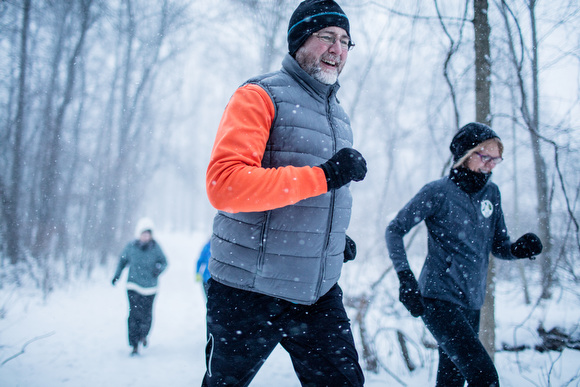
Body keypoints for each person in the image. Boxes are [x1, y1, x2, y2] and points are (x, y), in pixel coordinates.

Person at [203, 1, 367, 385]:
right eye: (327, 36)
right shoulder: (259, 95)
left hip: (315, 292)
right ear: (299, 40)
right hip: (247, 290)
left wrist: (327, 240)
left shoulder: (338, 116)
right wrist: (325, 176)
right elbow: (225, 184)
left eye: (346, 41)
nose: (338, 49)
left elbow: (304, 196)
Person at [385, 122, 543, 386]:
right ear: (465, 155)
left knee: (452, 380)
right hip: (438, 299)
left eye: (496, 159)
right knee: (484, 376)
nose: (492, 164)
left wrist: (518, 249)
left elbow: (499, 245)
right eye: (486, 157)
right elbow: (394, 230)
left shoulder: (491, 194)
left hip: (471, 302)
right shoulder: (437, 192)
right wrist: (405, 278)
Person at [112, 217, 168, 356]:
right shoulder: (131, 246)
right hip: (133, 285)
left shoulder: (156, 247)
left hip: (150, 288)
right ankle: (134, 343)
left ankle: (143, 335)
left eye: (148, 234)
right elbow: (122, 261)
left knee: (146, 315)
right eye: (144, 233)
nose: (146, 236)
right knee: (134, 314)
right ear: (139, 234)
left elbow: (165, 262)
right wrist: (116, 276)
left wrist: (158, 270)